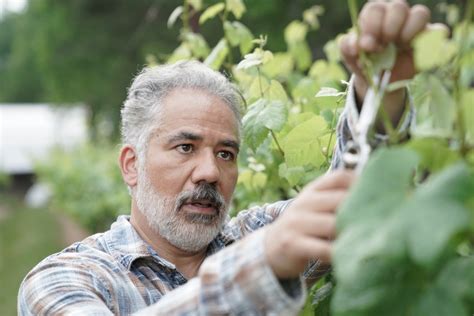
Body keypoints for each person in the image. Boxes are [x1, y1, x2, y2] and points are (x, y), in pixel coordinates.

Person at [18, 1, 431, 315]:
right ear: (131, 165)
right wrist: (261, 268)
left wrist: (380, 92)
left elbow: (358, 203)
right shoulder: (67, 279)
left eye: (226, 153)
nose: (210, 172)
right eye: (185, 147)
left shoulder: (257, 235)